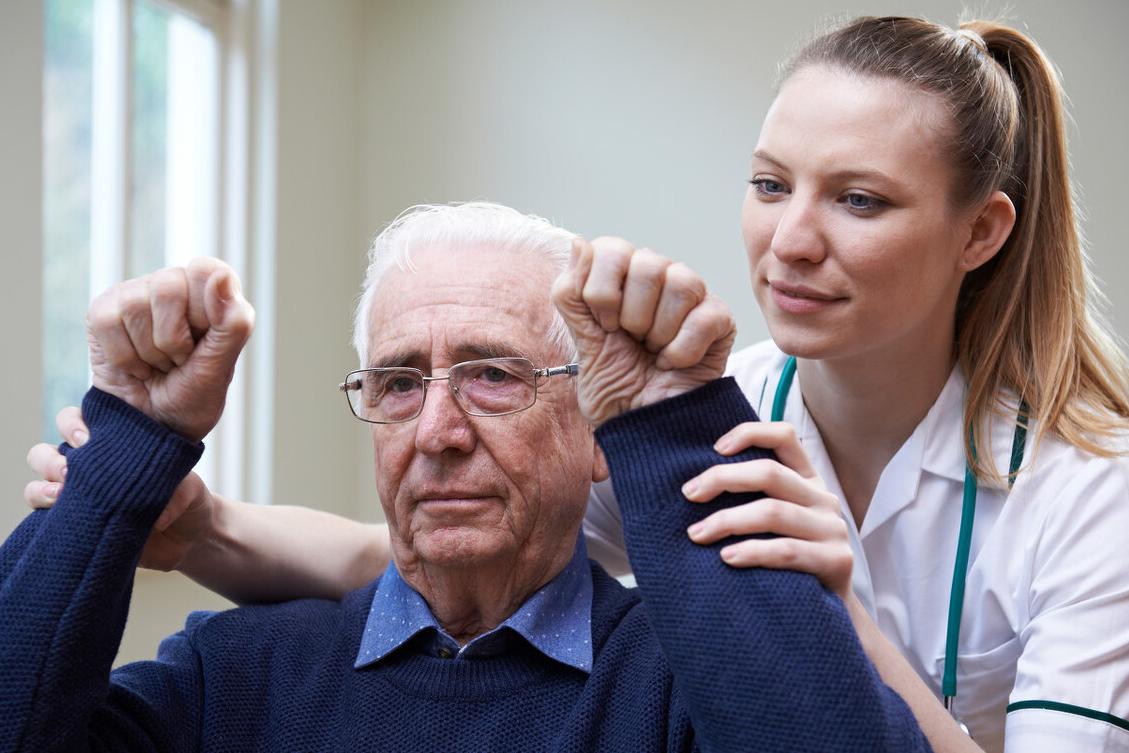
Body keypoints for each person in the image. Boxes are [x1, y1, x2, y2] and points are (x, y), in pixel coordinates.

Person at [25, 14, 1129, 753]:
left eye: (859, 200)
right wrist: (152, 501)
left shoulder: (1089, 494)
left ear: (979, 233)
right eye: (767, 183)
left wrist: (829, 608)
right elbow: (436, 545)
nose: (788, 241)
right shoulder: (682, 413)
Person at [1, 203, 930, 752]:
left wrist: (673, 430)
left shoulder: (688, 686)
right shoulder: (231, 676)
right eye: (399, 383)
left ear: (596, 428)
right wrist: (130, 438)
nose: (437, 432)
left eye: (494, 375)